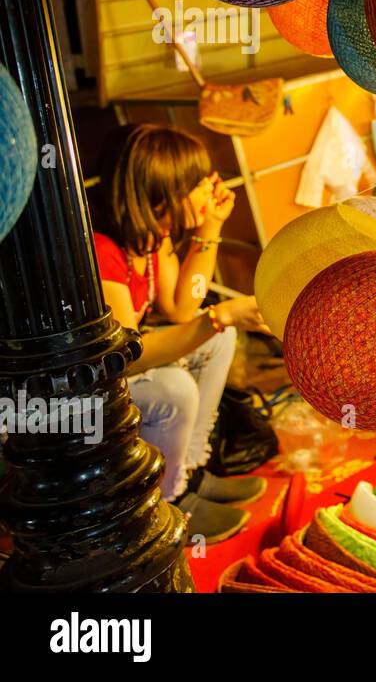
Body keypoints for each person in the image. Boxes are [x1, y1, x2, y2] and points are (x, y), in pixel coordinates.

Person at [89, 124, 270, 540]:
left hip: (121, 368)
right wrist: (221, 315)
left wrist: (210, 230)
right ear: (163, 191)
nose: (213, 189)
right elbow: (126, 355)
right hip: (85, 390)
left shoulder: (152, 237)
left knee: (217, 336)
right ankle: (166, 506)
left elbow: (182, 304)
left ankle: (187, 473)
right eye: (199, 183)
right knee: (175, 388)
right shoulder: (103, 250)